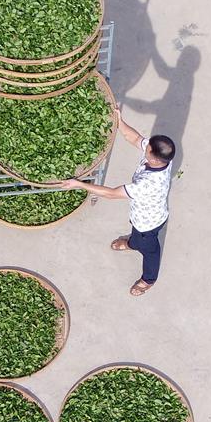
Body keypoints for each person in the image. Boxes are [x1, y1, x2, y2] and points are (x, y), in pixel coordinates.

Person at [60, 107, 176, 296]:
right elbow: (135, 139)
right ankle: (133, 242)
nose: (144, 147)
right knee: (137, 235)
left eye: (147, 149)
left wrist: (79, 184)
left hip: (148, 224)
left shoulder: (149, 184)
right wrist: (119, 121)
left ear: (155, 159)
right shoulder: (164, 158)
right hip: (142, 214)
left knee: (150, 250)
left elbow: (112, 194)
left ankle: (148, 279)